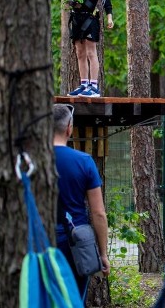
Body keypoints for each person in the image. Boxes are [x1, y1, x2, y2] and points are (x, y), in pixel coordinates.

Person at [53, 104, 110, 299]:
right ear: (69, 128)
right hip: (74, 244)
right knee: (73, 299)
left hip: (38, 240)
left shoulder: (30, 160)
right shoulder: (84, 161)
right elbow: (98, 213)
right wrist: (103, 254)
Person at [51, 0, 114, 97]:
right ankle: (84, 84)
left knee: (91, 52)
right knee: (79, 52)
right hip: (76, 17)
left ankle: (94, 87)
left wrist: (109, 17)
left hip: (90, 18)